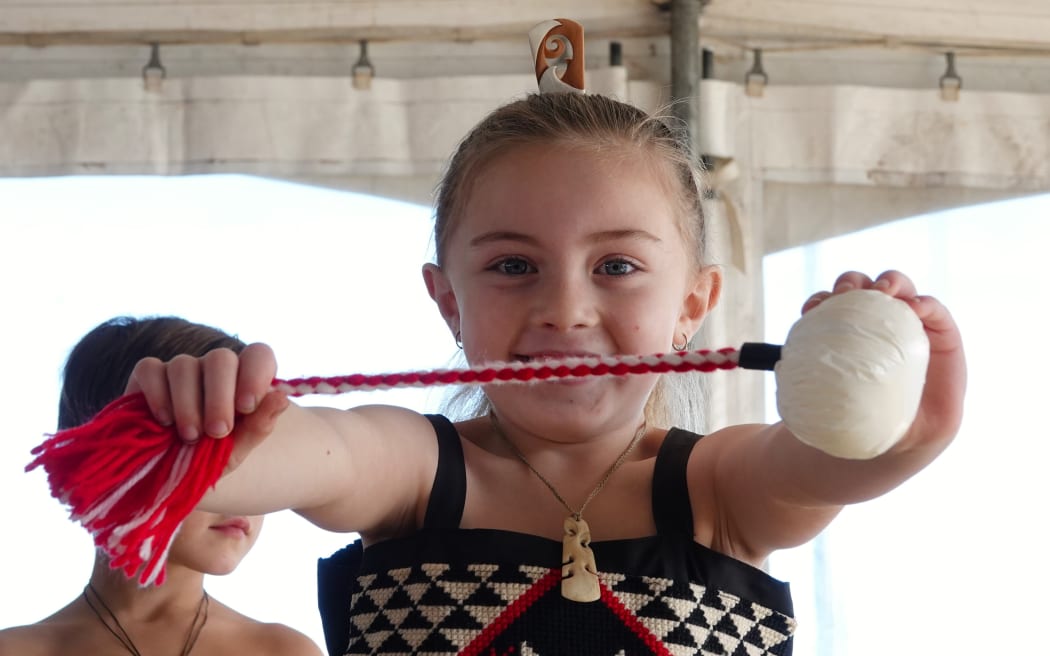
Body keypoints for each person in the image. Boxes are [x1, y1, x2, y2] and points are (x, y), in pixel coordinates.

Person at [122, 92, 965, 655]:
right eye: (515, 267)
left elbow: (833, 457)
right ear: (448, 302)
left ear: (694, 304)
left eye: (620, 267)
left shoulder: (719, 488)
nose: (567, 309)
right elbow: (315, 449)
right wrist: (215, 434)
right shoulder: (415, 472)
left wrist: (901, 413)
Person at [0, 317, 323, 656]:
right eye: (206, 453)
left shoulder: (284, 651)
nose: (243, 493)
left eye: (254, 456)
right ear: (107, 463)